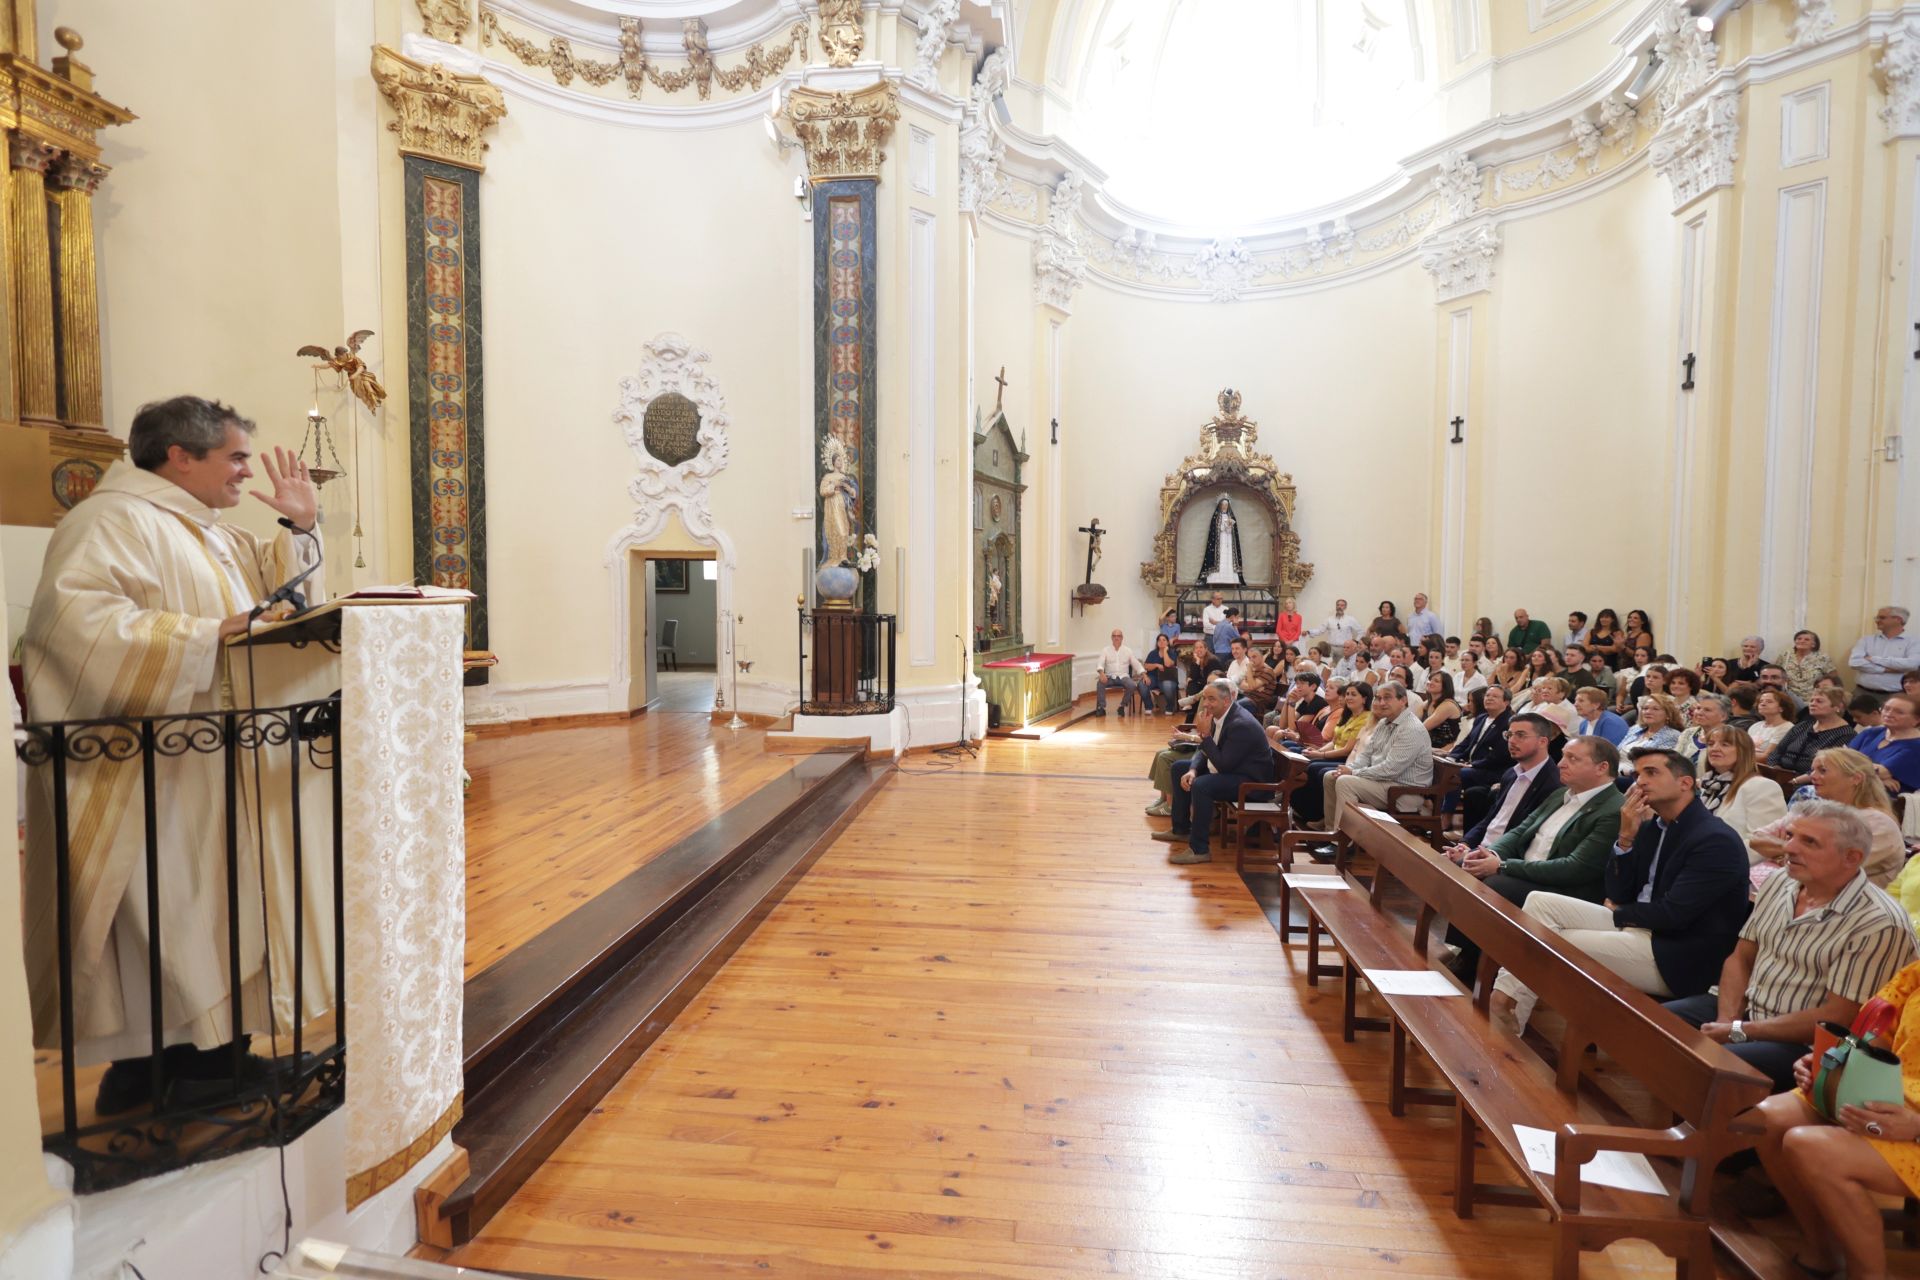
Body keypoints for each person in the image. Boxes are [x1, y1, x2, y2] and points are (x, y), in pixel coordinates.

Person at [20, 396, 325, 1114]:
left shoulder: (205, 532)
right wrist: (201, 636)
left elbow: (280, 597)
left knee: (209, 910)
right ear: (180, 456)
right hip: (145, 769)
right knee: (170, 914)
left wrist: (301, 524)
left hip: (210, 761)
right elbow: (76, 627)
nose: (247, 471)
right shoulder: (109, 521)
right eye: (236, 457)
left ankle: (212, 1059)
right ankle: (166, 1071)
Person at [1663, 800, 1916, 1094]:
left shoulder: (1878, 922)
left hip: (1807, 1045)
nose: (1790, 848)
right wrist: (1728, 1022)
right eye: (1790, 836)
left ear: (1851, 857)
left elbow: (1838, 1019)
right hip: (1746, 1012)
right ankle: (1660, 1123)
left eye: (1809, 842)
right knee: (1655, 1024)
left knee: (1706, 1065)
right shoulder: (1780, 881)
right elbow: (1741, 958)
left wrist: (1738, 1033)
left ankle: (1706, 1135)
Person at [1490, 748, 1750, 1032]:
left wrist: (1621, 913)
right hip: (1640, 926)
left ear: (1685, 783)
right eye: (1638, 775)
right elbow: (1618, 890)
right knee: (1539, 903)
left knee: (1550, 939)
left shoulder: (1714, 839)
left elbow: (1675, 915)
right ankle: (1506, 1002)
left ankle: (1507, 1015)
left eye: (1651, 773)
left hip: (1676, 953)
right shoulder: (1654, 827)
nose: (1640, 782)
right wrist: (1625, 838)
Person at [1744, 958, 1920, 1279]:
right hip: (1890, 1098)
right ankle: (1823, 1249)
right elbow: (1874, 1031)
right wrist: (1834, 1059)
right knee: (1767, 1119)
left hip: (1914, 1126)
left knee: (1811, 1147)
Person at [1444, 736, 1625, 981]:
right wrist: (1491, 854)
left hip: (1565, 888)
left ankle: (1477, 961)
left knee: (1496, 884)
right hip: (1528, 871)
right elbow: (1519, 831)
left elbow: (1576, 868)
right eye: (1562, 756)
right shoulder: (1561, 794)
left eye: (1572, 758)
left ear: (1602, 767)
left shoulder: (1612, 809)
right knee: (1465, 864)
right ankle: (1468, 948)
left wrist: (1503, 866)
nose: (1561, 763)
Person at [1749, 748, 1909, 890]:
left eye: (1823, 770)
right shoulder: (1813, 810)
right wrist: (1793, 849)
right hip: (1801, 896)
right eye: (1812, 770)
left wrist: (1781, 851)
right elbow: (1756, 839)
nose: (1813, 776)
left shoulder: (1878, 823)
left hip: (1853, 912)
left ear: (1856, 778)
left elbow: (1826, 869)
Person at [1156, 679, 1276, 866]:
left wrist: (1205, 736)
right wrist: (1194, 770)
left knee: (1203, 786)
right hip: (1236, 771)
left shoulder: (1240, 724)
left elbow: (1223, 765)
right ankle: (1180, 830)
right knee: (1180, 768)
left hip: (1252, 783)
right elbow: (1205, 752)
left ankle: (1199, 850)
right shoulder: (1219, 715)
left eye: (1211, 699)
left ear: (1226, 701)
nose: (1206, 704)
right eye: (1205, 698)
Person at [1316, 681, 1434, 847]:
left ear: (1403, 700)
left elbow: (1390, 770)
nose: (1381, 703)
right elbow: (1366, 756)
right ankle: (1332, 834)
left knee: (1345, 782)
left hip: (1403, 791)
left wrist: (1353, 773)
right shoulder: (1383, 722)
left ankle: (1342, 844)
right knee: (1331, 776)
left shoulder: (1411, 728)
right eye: (1378, 698)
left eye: (1387, 698)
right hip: (1383, 782)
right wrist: (1350, 768)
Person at [1453, 712, 1561, 851]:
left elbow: (1525, 838)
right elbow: (1492, 819)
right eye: (1509, 735)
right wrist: (1465, 844)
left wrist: (1475, 855)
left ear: (1542, 742)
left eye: (1520, 735)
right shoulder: (1511, 773)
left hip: (1500, 856)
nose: (1512, 741)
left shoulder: (1553, 784)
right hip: (1483, 848)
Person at [1288, 682, 1374, 827]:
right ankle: (1302, 808)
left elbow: (1347, 749)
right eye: (1347, 694)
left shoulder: (1365, 718)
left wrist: (1321, 756)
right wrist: (1318, 751)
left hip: (1347, 758)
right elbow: (1334, 741)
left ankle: (1317, 814)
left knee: (1316, 768)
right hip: (1333, 752)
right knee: (1307, 760)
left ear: (1364, 699)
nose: (1348, 698)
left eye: (1354, 694)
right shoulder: (1347, 715)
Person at [1697, 726, 1788, 844]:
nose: (1714, 748)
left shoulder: (1762, 787)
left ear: (1743, 751)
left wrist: (1714, 857)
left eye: (1725, 744)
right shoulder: (1710, 785)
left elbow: (1766, 842)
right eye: (1710, 744)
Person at [1771, 688, 1859, 778]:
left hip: (1812, 782)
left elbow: (1828, 767)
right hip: (1780, 775)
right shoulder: (1802, 726)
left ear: (1838, 707)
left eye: (1819, 701)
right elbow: (1777, 752)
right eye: (1811, 700)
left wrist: (1795, 781)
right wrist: (1774, 769)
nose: (1812, 704)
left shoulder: (1847, 734)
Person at [1848, 691, 1920, 799]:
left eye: (1899, 712)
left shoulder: (1915, 746)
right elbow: (1838, 759)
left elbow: (1882, 772)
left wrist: (1879, 775)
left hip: (1883, 801)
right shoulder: (1871, 732)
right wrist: (1878, 778)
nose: (1889, 714)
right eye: (1886, 709)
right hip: (1852, 789)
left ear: (1916, 720)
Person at [1849, 605, 1919, 695]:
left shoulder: (1914, 642)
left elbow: (1912, 665)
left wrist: (1873, 659)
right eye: (1877, 618)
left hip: (1895, 695)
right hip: (1862, 692)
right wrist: (1885, 669)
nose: (1877, 621)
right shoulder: (1866, 640)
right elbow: (1854, 662)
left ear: (1898, 619)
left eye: (1882, 618)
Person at [1618, 694, 1683, 776]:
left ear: (1668, 715)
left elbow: (1655, 767)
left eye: (1655, 709)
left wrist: (1627, 772)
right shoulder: (1635, 729)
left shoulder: (1672, 735)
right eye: (1645, 708)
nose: (1648, 712)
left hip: (1637, 777)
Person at [1093, 628, 1143, 716]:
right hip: (1109, 677)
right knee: (1100, 683)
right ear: (1111, 638)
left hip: (1123, 676)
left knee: (1132, 685)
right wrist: (1101, 673)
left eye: (1118, 636)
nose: (1116, 638)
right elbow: (1100, 663)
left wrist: (1144, 674)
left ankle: (1122, 706)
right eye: (1114, 636)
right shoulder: (1105, 650)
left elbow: (1136, 664)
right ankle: (1101, 707)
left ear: (1122, 638)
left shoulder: (1128, 650)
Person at [1779, 628, 1834, 702]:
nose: (1802, 641)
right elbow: (1776, 673)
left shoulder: (1822, 658)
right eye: (1799, 639)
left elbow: (1833, 678)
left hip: (1814, 699)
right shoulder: (1785, 655)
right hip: (1788, 698)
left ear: (1814, 644)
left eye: (1806, 639)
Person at [1676, 689, 1727, 765]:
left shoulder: (1731, 738)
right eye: (1698, 708)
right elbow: (1674, 760)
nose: (1699, 713)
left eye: (1707, 710)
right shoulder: (1688, 733)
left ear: (1723, 716)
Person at [1749, 689, 1798, 761]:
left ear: (1781, 708)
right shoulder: (1755, 726)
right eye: (1761, 701)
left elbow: (1767, 757)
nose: (1763, 704)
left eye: (1769, 702)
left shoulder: (1786, 727)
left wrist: (1740, 755)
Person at [1140, 633, 1179, 715]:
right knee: (1141, 685)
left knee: (1167, 685)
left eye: (1164, 640)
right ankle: (1149, 706)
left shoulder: (1172, 653)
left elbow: (1168, 664)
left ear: (1167, 642)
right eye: (1159, 640)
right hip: (1153, 677)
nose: (1161, 642)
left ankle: (1169, 708)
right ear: (1157, 643)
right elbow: (1146, 666)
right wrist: (1156, 665)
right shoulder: (1152, 653)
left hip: (1167, 678)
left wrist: (1165, 651)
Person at [1422, 672, 1461, 748]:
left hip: (1446, 750)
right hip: (1429, 748)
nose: (1430, 682)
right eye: (1430, 679)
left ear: (1445, 686)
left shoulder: (1448, 705)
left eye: (1436, 681)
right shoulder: (1427, 703)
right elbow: (1412, 723)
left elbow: (1421, 728)